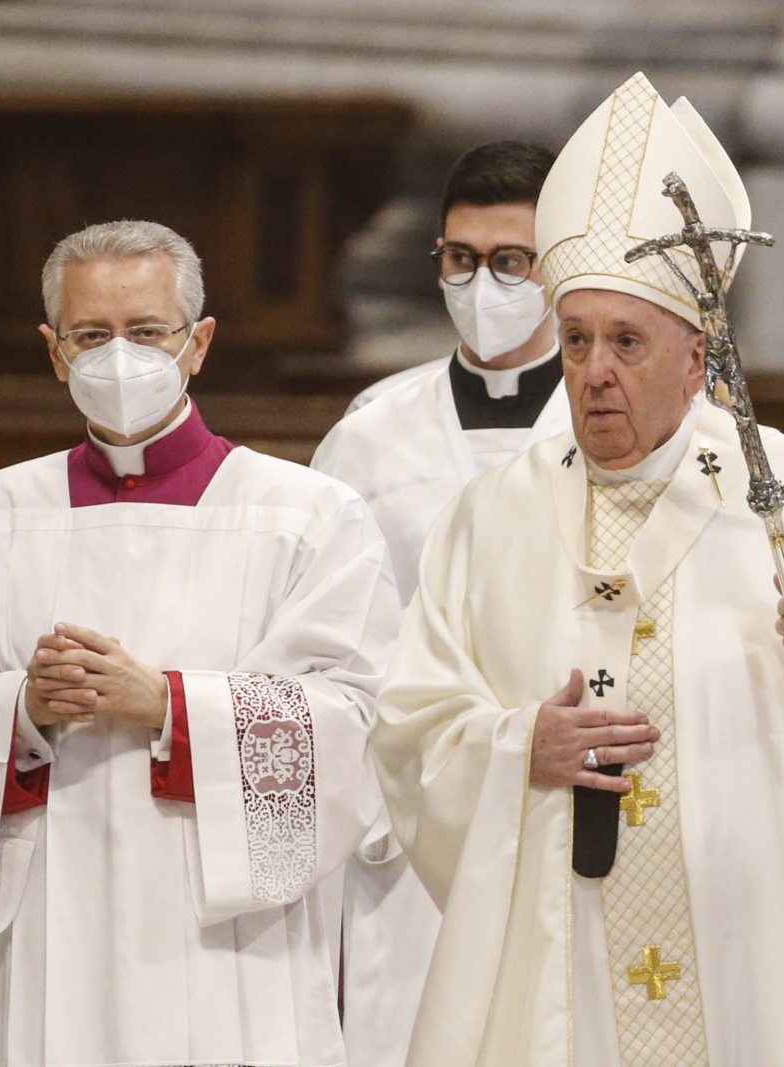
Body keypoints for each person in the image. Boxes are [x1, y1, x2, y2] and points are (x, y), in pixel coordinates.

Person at [372, 73, 784, 1067]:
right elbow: (411, 727)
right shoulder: (494, 515)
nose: (593, 369)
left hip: (751, 958)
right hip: (562, 949)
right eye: (577, 338)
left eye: (626, 342)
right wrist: (520, 747)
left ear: (695, 358)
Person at [0, 220, 398, 1067]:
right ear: (54, 350)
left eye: (146, 332)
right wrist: (20, 707)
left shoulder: (307, 516)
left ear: (199, 343)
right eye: (91, 335)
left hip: (228, 941)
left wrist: (172, 705)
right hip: (51, 923)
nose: (120, 358)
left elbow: (363, 725)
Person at [311, 139, 564, 1066]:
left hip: (574, 806)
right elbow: (331, 641)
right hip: (418, 821)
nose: (480, 284)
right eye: (460, 260)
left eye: (510, 262)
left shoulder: (610, 424)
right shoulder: (371, 437)